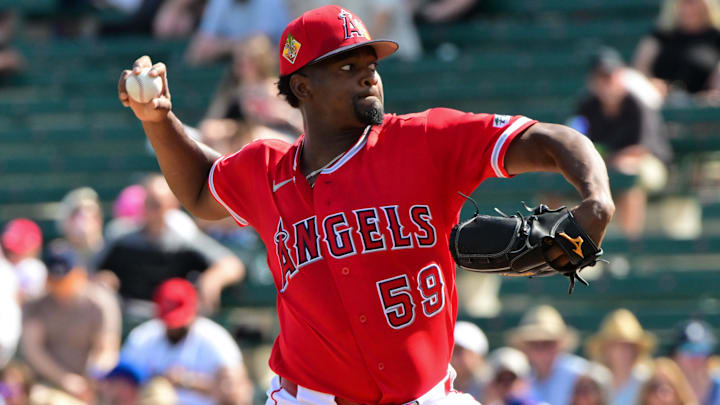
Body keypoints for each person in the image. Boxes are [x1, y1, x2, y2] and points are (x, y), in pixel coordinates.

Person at [117, 5, 615, 403]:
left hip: (425, 395)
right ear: (303, 87)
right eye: (348, 66)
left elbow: (548, 139)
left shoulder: (423, 139)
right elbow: (204, 189)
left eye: (371, 65)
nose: (368, 76)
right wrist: (158, 119)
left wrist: (596, 199)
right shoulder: (266, 170)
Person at [93, 174, 245, 314]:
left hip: (171, 320)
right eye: (148, 203)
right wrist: (103, 279)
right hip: (127, 314)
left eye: (157, 205)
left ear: (172, 207)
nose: (151, 210)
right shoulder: (121, 238)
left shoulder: (183, 241)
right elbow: (91, 272)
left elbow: (232, 264)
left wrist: (212, 280)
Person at [570, 47, 672, 239]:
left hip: (650, 165)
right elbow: (577, 140)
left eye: (611, 75)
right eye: (601, 77)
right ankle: (565, 253)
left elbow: (641, 149)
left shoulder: (638, 103)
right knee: (557, 182)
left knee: (628, 176)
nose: (607, 82)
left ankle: (629, 248)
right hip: (605, 167)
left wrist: (608, 160)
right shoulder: (587, 106)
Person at [120, 278, 253, 405]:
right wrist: (155, 382)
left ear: (194, 309)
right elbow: (116, 387)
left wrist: (187, 381)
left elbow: (239, 396)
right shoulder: (143, 337)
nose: (174, 326)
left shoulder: (214, 338)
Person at [21, 245, 121, 403]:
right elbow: (33, 350)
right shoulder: (37, 304)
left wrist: (92, 378)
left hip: (93, 386)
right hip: (47, 384)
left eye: (65, 277)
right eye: (55, 279)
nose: (60, 284)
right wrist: (66, 380)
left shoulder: (100, 302)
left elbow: (106, 349)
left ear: (79, 273)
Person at [633, 0, 720, 103]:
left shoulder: (716, 38)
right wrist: (650, 85)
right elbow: (639, 70)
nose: (689, 9)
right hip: (661, 104)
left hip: (704, 108)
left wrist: (712, 94)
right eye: (685, 3)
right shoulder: (659, 37)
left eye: (694, 2)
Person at [508, 305, 589, 405]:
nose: (541, 350)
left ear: (560, 345)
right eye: (534, 344)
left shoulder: (580, 374)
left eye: (548, 343)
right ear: (526, 348)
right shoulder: (522, 376)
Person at [184, 0, 290, 66]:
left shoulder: (269, 2)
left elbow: (261, 44)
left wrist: (221, 46)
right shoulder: (219, 2)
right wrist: (234, 47)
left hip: (278, 65)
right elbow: (198, 49)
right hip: (235, 72)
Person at [585, 309, 656, 405]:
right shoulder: (596, 379)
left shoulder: (647, 379)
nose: (623, 352)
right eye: (616, 346)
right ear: (606, 349)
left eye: (628, 346)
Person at [670, 320, 720, 405]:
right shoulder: (663, 389)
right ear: (675, 356)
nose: (695, 357)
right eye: (688, 349)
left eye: (702, 350)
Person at [1, 218, 47, 302]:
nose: (12, 256)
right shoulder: (4, 268)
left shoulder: (33, 269)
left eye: (17, 252)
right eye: (8, 251)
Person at [451, 321, 489, 400]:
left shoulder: (493, 385)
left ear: (477, 355)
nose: (452, 356)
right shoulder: (437, 385)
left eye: (458, 350)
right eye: (450, 350)